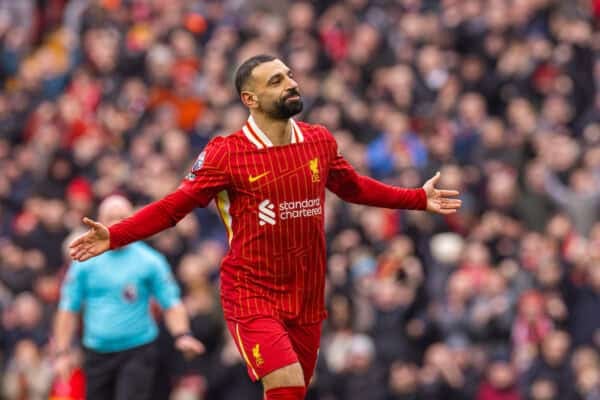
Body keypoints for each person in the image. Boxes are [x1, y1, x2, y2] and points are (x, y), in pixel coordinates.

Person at [69, 55, 461, 400]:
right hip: (252, 293)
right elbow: (174, 207)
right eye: (276, 80)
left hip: (306, 295)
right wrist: (116, 234)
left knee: (294, 390)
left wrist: (416, 198)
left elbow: (354, 188)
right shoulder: (226, 153)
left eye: (289, 75)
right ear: (250, 99)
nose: (291, 83)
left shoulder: (319, 140)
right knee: (287, 383)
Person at [54, 195, 204, 400]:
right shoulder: (85, 261)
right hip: (96, 352)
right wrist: (62, 353)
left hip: (137, 350)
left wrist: (182, 334)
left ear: (132, 219)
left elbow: (171, 302)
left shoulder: (150, 261)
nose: (116, 223)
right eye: (110, 217)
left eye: (122, 217)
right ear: (99, 220)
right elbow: (68, 308)